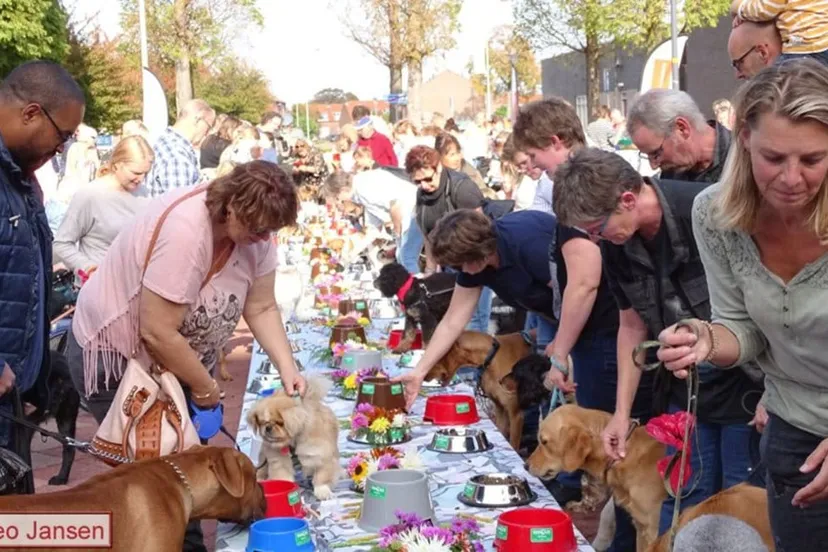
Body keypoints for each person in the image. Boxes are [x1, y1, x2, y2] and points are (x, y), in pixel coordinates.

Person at [67, 161, 305, 549]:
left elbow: (261, 307)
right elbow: (156, 331)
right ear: (230, 207)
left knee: (179, 476)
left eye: (271, 231)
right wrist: (205, 387)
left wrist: (287, 366)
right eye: (257, 228)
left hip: (172, 361)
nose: (263, 239)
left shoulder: (256, 236)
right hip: (122, 361)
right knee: (164, 484)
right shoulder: (186, 231)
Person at [656, 59, 828, 550]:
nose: (792, 178)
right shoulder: (715, 213)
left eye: (813, 160)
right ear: (744, 137)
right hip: (796, 430)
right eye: (774, 158)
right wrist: (705, 339)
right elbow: (742, 329)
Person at [551, 147, 763, 536]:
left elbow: (766, 305)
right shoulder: (618, 244)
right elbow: (631, 327)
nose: (596, 241)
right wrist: (620, 413)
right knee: (684, 498)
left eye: (597, 228)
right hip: (685, 393)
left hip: (746, 389)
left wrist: (775, 392)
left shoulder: (706, 212)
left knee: (739, 507)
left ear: (628, 199)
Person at [0, 61, 85, 461]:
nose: (61, 148)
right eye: (63, 135)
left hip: (12, 401)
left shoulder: (20, 178)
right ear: (32, 112)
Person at [405, 145, 492, 333]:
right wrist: (430, 270)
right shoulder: (422, 193)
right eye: (417, 181)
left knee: (473, 320)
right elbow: (427, 233)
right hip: (448, 264)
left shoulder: (462, 188)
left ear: (438, 167)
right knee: (450, 318)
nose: (424, 185)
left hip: (474, 261)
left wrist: (474, 268)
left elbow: (481, 232)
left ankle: (474, 362)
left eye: (428, 179)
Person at [53, 135, 153, 274]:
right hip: (98, 286)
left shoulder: (146, 194)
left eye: (145, 173)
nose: (140, 179)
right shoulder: (90, 195)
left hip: (135, 285)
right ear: (117, 164)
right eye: (135, 173)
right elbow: (61, 244)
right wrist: (87, 267)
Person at [627, 89, 732, 183]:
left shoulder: (743, 156)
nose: (653, 166)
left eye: (656, 154)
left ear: (682, 128)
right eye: (647, 156)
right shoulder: (671, 173)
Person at [324, 170, 417, 251]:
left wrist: (398, 234)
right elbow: (373, 212)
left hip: (413, 212)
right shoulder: (357, 189)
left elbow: (396, 205)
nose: (340, 201)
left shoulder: (364, 187)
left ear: (343, 190)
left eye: (337, 197)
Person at [144, 99, 216, 197]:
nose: (207, 133)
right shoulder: (177, 157)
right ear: (198, 119)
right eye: (208, 127)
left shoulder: (163, 140)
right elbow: (180, 208)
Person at [732, 0, 828, 66]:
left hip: (801, 46)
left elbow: (765, 10)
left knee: (777, 83)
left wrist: (739, 7)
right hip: (823, 40)